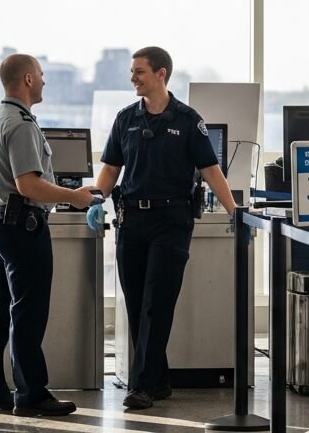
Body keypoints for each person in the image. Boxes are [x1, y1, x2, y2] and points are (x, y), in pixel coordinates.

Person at [95, 46, 239, 411]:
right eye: (132, 71)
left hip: (172, 222)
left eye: (139, 71)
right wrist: (96, 200)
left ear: (161, 74)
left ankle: (141, 386)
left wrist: (234, 212)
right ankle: (158, 380)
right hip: (132, 221)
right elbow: (111, 170)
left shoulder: (188, 120)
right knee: (138, 303)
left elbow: (210, 170)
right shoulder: (125, 118)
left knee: (157, 304)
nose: (132, 78)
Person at [0, 53, 95, 417]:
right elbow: (30, 184)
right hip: (22, 226)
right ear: (27, 79)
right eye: (41, 75)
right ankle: (31, 396)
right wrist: (75, 196)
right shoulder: (22, 124)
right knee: (27, 314)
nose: (44, 81)